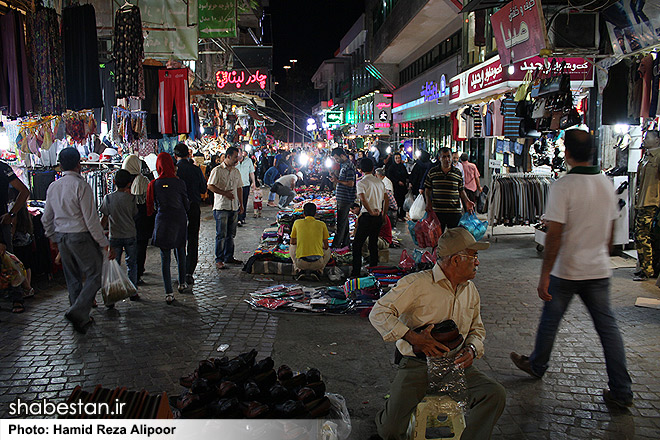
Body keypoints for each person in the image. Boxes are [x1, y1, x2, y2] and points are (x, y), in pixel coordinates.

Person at [511, 130, 634, 409]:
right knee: (608, 330)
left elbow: (554, 234)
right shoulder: (605, 183)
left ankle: (538, 365)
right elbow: (612, 229)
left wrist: (545, 275)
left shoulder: (563, 186)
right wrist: (599, 253)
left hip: (567, 271)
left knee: (550, 321)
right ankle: (622, 390)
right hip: (598, 270)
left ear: (566, 153)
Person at [369, 228, 505, 440]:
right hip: (417, 365)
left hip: (455, 365)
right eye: (474, 256)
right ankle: (388, 412)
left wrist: (471, 348)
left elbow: (477, 329)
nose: (477, 262)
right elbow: (378, 312)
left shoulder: (470, 290)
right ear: (457, 260)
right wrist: (413, 337)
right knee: (389, 431)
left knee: (494, 394)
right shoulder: (417, 284)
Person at [42, 148, 115, 333]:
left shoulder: (53, 187)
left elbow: (46, 217)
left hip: (62, 237)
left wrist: (52, 237)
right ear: (78, 164)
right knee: (95, 274)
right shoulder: (81, 186)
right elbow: (90, 220)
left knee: (72, 278)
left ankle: (80, 317)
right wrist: (104, 243)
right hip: (79, 236)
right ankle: (77, 311)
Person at [147, 153, 189, 304]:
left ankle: (169, 293)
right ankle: (182, 282)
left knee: (165, 257)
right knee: (180, 251)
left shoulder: (154, 184)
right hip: (178, 219)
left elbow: (150, 207)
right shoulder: (179, 183)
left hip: (163, 220)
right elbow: (186, 203)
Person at [100, 169, 139, 300]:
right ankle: (133, 291)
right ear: (129, 183)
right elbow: (134, 214)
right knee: (132, 264)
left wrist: (100, 234)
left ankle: (112, 293)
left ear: (114, 182)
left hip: (114, 236)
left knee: (114, 264)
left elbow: (104, 219)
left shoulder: (108, 199)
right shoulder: (132, 198)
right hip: (130, 235)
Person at [174, 143, 207, 285]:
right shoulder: (195, 169)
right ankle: (189, 272)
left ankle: (181, 269)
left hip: (178, 208)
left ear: (175, 156)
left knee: (178, 239)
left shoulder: (174, 171)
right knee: (193, 239)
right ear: (189, 154)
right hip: (193, 206)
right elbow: (203, 188)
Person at [207, 147, 244, 270]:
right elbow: (210, 186)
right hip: (221, 207)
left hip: (233, 207)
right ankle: (219, 259)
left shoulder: (236, 172)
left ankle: (229, 257)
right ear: (228, 157)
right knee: (221, 234)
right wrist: (224, 193)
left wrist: (241, 204)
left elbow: (239, 188)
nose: (236, 160)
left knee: (231, 234)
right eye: (235, 157)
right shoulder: (217, 170)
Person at [351, 158, 388, 278]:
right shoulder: (379, 183)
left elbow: (362, 198)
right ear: (372, 168)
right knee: (373, 243)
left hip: (367, 216)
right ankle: (374, 270)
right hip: (378, 216)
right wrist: (383, 214)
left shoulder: (361, 183)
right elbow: (386, 200)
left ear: (360, 170)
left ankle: (356, 272)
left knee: (357, 245)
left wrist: (371, 211)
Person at [424, 147, 475, 230]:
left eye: (449, 156)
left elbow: (461, 190)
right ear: (439, 158)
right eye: (444, 157)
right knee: (438, 239)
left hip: (454, 211)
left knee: (453, 238)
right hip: (438, 211)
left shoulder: (457, 173)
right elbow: (427, 189)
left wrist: (467, 201)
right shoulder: (433, 172)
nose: (447, 159)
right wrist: (428, 202)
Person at [122, 154, 152, 285]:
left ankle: (134, 272)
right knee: (140, 246)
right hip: (142, 219)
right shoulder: (142, 180)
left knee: (133, 248)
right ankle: (137, 272)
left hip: (130, 220)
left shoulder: (123, 181)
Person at [290, 202, 331, 280]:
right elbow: (326, 246)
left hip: (301, 263)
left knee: (292, 246)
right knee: (328, 250)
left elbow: (292, 242)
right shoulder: (321, 224)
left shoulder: (297, 223)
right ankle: (319, 271)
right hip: (318, 263)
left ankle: (298, 270)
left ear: (303, 213)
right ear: (315, 213)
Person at [0, 159, 30, 252]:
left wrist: (12, 214)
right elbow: (24, 191)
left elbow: (24, 192)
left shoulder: (3, 168)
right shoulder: (3, 168)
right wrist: (12, 214)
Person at [330, 148, 356, 250]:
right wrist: (335, 177)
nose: (336, 160)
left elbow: (351, 183)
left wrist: (338, 181)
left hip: (346, 198)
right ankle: (346, 244)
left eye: (336, 158)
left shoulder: (349, 166)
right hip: (342, 197)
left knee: (340, 223)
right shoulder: (344, 165)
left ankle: (336, 245)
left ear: (341, 156)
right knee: (344, 223)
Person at [236, 148, 256, 226]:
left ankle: (242, 218)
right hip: (236, 185)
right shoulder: (234, 162)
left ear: (242, 153)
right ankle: (237, 218)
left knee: (244, 202)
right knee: (236, 202)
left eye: (239, 153)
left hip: (245, 184)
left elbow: (251, 173)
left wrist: (254, 183)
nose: (237, 155)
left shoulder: (248, 161)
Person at [386, 153, 409, 220]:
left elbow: (406, 175)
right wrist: (397, 182)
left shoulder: (402, 166)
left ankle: (402, 215)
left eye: (399, 158)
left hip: (403, 188)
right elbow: (390, 177)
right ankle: (396, 216)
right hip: (395, 188)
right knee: (396, 202)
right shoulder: (391, 167)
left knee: (402, 201)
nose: (398, 159)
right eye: (396, 158)